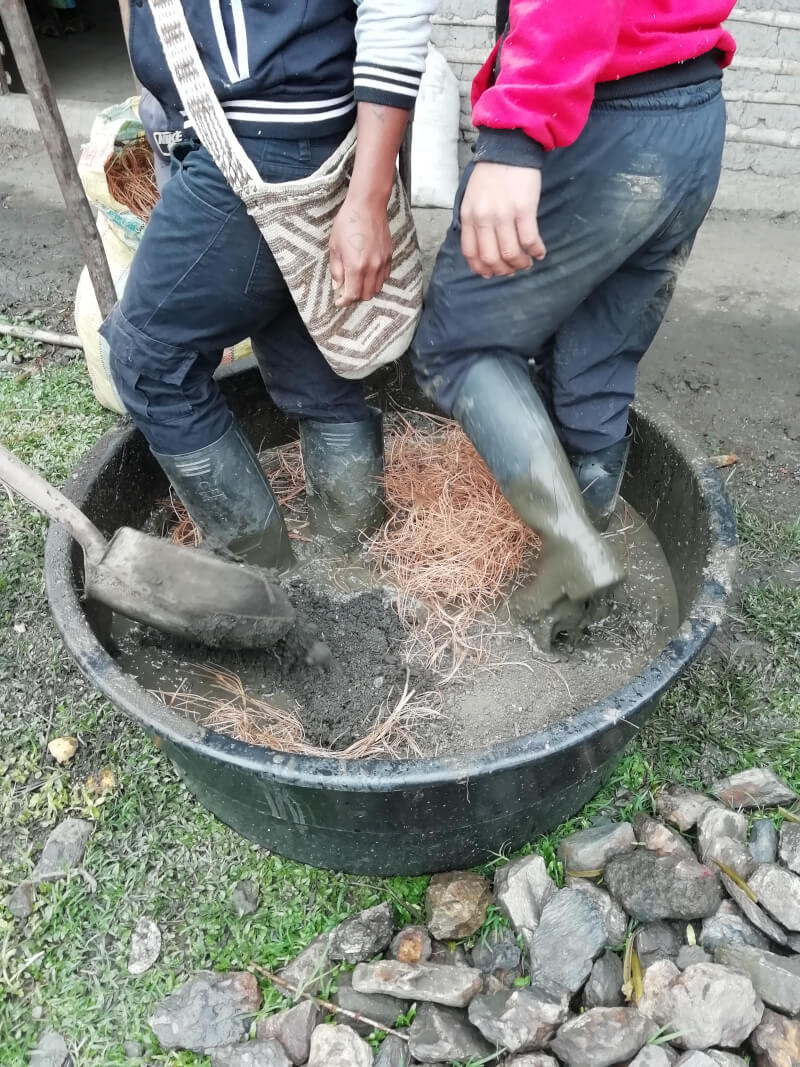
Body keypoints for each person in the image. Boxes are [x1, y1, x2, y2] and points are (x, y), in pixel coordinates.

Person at [412, 0, 736, 644]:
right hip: (692, 110)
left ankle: (574, 553)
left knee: (456, 349)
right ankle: (579, 583)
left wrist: (515, 136)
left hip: (597, 119)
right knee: (596, 361)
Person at [102, 1, 437, 571]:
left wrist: (368, 198)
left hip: (263, 139)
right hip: (264, 127)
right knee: (308, 349)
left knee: (149, 363)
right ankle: (349, 571)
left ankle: (268, 585)